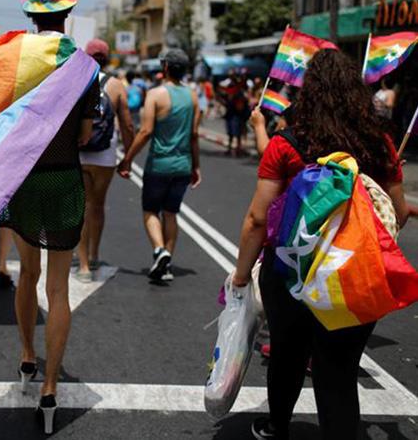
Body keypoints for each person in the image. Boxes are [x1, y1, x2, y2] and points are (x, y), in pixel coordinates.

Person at [231, 50, 409, 440]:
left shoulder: (287, 143)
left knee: (287, 353)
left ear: (307, 93)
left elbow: (257, 219)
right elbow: (397, 211)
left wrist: (242, 275)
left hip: (291, 270)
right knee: (338, 371)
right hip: (354, 271)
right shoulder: (380, 145)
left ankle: (277, 425)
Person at [0, 0, 99, 433]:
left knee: (27, 275)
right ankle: (51, 386)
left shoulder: (14, 59)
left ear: (31, 18)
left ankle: (26, 357)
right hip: (63, 178)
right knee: (58, 289)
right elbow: (86, 133)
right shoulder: (84, 67)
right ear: (67, 16)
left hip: (25, 179)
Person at [118, 49, 201, 282]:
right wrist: (196, 166)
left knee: (150, 211)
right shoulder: (193, 96)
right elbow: (194, 135)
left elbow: (145, 131)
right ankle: (166, 264)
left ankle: (159, 250)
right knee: (171, 214)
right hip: (183, 165)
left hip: (159, 166)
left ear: (165, 68)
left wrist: (127, 159)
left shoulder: (155, 94)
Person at [76, 38, 134, 282]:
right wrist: (128, 158)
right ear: (107, 58)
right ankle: (95, 253)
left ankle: (83, 266)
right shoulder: (117, 86)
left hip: (78, 153)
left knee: (80, 208)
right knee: (97, 206)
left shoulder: (75, 81)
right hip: (105, 155)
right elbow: (128, 125)